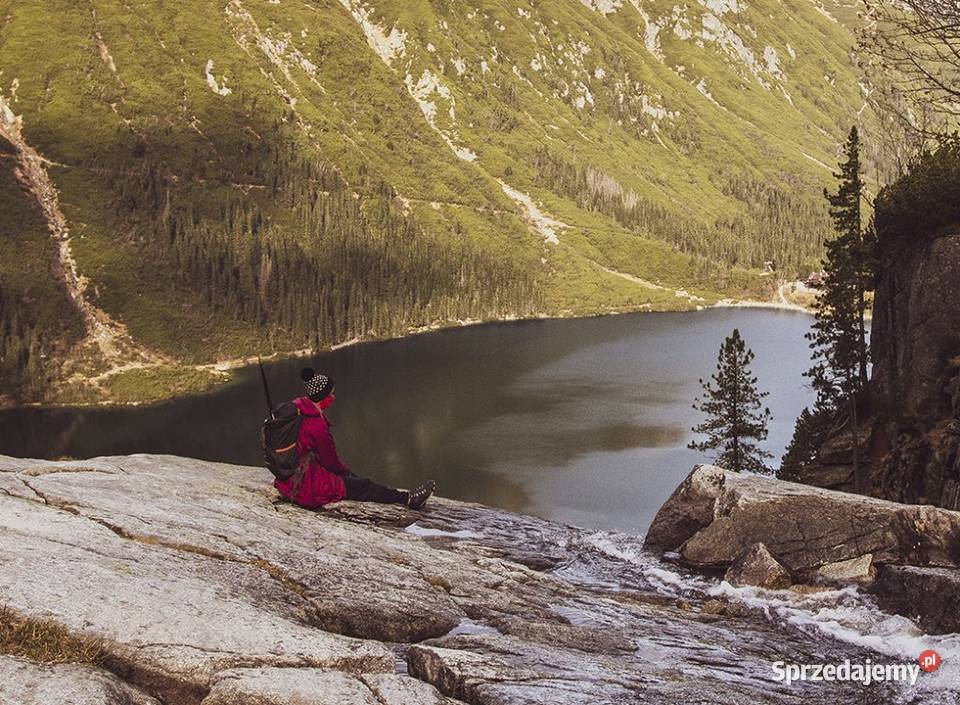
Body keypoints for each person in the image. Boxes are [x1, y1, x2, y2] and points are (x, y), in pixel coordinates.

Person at [273, 367, 435, 510]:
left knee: (355, 480)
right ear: (323, 397)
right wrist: (347, 473)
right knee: (363, 486)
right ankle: (408, 499)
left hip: (289, 480)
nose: (333, 396)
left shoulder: (298, 408)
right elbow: (330, 462)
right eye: (331, 393)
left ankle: (404, 496)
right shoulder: (316, 426)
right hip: (306, 486)